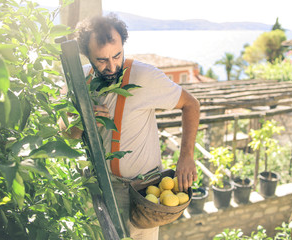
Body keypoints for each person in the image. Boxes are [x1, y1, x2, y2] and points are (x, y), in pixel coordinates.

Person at [59, 14, 200, 240]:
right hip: (104, 189)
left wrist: (186, 156)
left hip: (146, 194)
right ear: (87, 55)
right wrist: (81, 122)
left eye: (117, 55)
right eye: (102, 60)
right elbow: (66, 134)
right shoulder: (78, 81)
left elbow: (191, 104)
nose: (112, 66)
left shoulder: (145, 76)